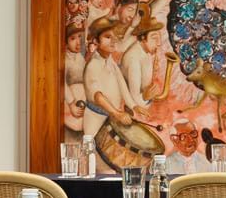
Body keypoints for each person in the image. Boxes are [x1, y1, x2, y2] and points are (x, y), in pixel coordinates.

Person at [82, 17, 139, 168]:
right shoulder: (93, 64)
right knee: (95, 163)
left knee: (111, 163)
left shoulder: (110, 60)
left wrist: (133, 105)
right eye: (108, 37)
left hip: (109, 118)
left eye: (115, 37)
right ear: (95, 40)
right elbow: (97, 95)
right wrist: (117, 113)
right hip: (95, 120)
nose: (113, 41)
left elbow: (121, 83)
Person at [121, 14, 168, 117]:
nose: (159, 43)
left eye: (159, 38)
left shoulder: (144, 51)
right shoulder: (133, 59)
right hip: (131, 111)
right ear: (143, 38)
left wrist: (154, 70)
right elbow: (134, 99)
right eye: (154, 38)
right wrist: (145, 97)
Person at [62, 22, 88, 136]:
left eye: (79, 37)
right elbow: (62, 83)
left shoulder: (80, 57)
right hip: (70, 104)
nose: (78, 42)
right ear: (66, 42)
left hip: (82, 101)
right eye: (73, 39)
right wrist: (72, 104)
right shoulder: (64, 60)